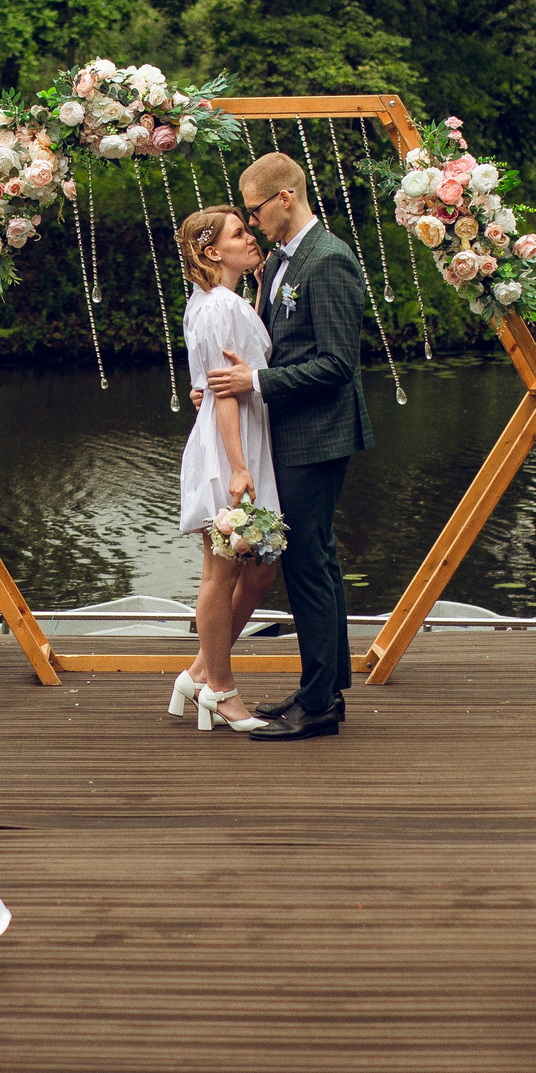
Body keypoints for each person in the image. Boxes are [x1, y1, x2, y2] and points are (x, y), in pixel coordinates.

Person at [203, 151, 372, 741]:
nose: (250, 226)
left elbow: (337, 364)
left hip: (319, 434)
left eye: (254, 212)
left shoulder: (328, 262)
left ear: (284, 199)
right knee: (311, 562)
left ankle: (321, 703)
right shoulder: (280, 261)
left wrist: (256, 382)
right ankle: (321, 691)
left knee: (309, 563)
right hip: (291, 431)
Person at [167, 206, 280, 732]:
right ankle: (221, 689)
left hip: (241, 437)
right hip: (230, 446)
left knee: (261, 569)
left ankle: (197, 672)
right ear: (213, 252)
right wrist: (238, 468)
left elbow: (230, 363)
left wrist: (256, 289)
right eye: (240, 233)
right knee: (223, 570)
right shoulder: (219, 307)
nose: (251, 236)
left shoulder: (215, 303)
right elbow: (223, 390)